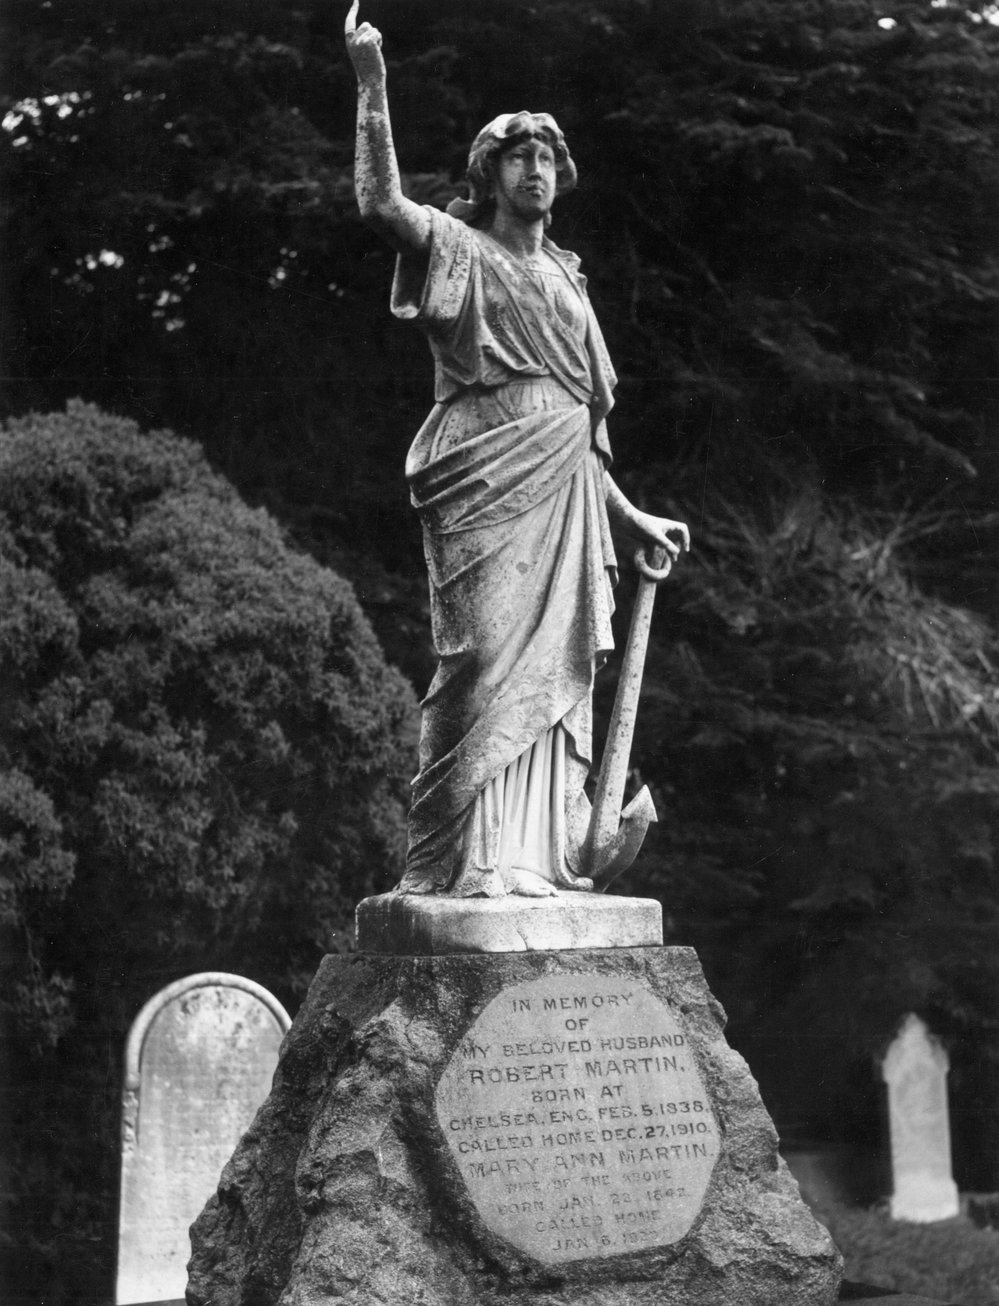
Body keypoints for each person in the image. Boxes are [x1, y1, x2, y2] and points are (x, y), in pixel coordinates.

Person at [346, 1, 690, 899]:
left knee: (555, 672)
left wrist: (630, 514)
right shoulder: (459, 247)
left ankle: (533, 859)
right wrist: (373, 83)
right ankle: (455, 860)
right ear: (489, 173)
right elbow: (380, 203)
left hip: (564, 488)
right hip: (485, 470)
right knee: (482, 658)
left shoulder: (569, 280)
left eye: (546, 156)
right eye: (518, 155)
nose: (535, 168)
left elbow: (588, 430)